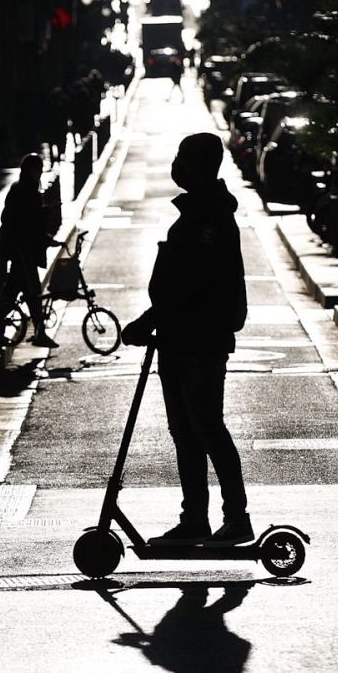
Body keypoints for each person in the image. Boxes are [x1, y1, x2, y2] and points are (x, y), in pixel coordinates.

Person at [122, 133, 251, 547]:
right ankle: (195, 518)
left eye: (182, 159)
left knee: (207, 426)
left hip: (199, 341)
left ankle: (236, 517)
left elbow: (190, 287)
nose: (176, 166)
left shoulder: (209, 218)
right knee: (186, 431)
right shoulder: (197, 212)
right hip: (178, 339)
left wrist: (148, 320)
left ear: (198, 166)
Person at [0, 154, 59, 349]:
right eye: (37, 169)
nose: (39, 173)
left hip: (22, 251)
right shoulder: (26, 191)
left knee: (16, 292)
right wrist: (44, 216)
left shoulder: (22, 189)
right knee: (30, 293)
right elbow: (26, 222)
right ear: (29, 171)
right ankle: (0, 332)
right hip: (23, 251)